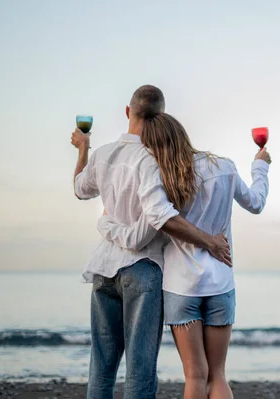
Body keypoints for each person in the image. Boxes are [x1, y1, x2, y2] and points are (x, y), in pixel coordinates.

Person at [71, 85, 232, 399]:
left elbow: (79, 188)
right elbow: (144, 231)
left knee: (101, 367)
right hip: (142, 270)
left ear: (128, 112)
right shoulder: (156, 160)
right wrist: (210, 242)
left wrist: (83, 150)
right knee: (140, 369)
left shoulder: (102, 153)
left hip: (104, 269)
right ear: (162, 117)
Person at [97, 112, 271, 399]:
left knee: (194, 375)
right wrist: (260, 167)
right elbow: (256, 203)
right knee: (217, 376)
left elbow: (147, 226)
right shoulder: (225, 167)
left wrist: (107, 220)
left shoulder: (161, 179)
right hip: (221, 281)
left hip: (181, 287)